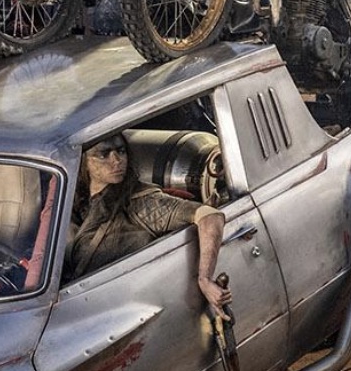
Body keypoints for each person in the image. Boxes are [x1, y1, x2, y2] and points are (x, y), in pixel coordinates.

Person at [65, 130, 230, 313]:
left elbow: (210, 216)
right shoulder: (73, 203)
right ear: (84, 163)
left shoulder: (141, 203)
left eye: (121, 151)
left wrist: (205, 279)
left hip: (117, 305)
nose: (117, 160)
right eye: (104, 155)